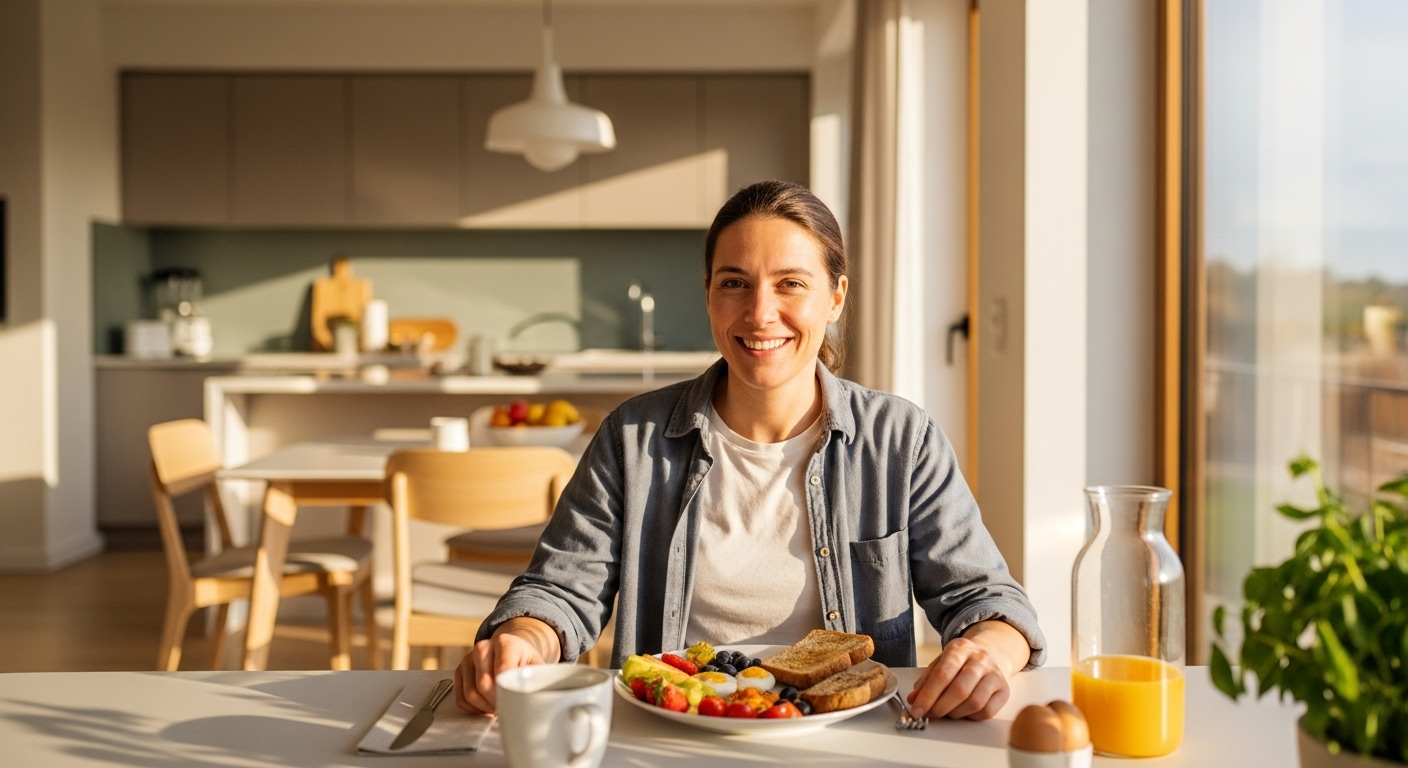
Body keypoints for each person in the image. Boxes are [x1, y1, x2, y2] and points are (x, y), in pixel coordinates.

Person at [455, 180, 1045, 721]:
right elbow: (560, 590)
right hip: (679, 732)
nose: (760, 313)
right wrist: (522, 641)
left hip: (850, 740)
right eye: (734, 282)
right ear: (709, 295)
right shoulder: (631, 438)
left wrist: (986, 654)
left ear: (835, 298)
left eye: (791, 283)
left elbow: (986, 598)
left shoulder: (901, 440)